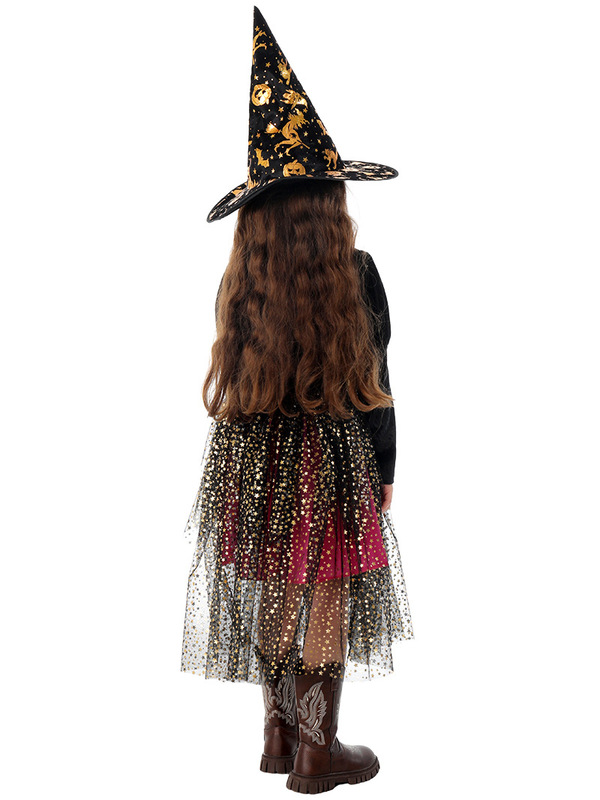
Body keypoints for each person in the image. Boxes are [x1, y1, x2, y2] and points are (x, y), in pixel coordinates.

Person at [180, 7, 414, 794]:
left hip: (253, 456)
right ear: (329, 203)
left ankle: (279, 735)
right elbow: (374, 380)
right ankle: (318, 750)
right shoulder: (357, 272)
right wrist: (384, 467)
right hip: (331, 454)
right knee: (326, 587)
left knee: (277, 580)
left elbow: (238, 374)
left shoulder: (242, 279)